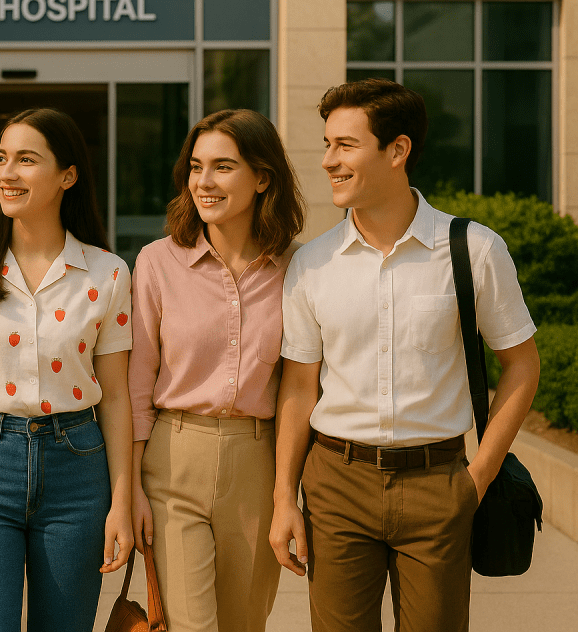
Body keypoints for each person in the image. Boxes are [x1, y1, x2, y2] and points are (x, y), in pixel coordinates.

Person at [270, 78, 541, 632]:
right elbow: (299, 387)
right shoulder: (312, 264)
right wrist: (283, 500)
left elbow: (522, 363)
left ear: (397, 151)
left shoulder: (474, 250)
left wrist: (478, 477)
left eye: (345, 145)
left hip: (439, 484)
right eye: (327, 145)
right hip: (336, 485)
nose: (328, 161)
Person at [0, 108, 134, 632]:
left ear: (68, 175)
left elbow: (116, 397)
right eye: (1, 159)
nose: (6, 173)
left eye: (25, 159)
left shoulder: (107, 273)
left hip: (78, 470)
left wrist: (122, 504)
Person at [129, 109, 306, 632]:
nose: (204, 182)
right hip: (173, 457)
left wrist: (286, 494)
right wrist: (131, 487)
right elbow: (137, 383)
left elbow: (301, 384)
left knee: (244, 624)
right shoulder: (158, 263)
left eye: (223, 167)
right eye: (196, 166)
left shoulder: (298, 268)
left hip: (258, 462)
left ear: (263, 177)